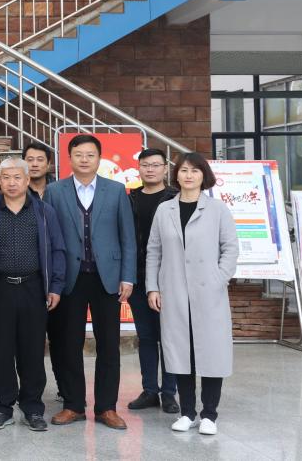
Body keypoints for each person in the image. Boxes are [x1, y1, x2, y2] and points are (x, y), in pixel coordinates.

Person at [43, 134, 135, 431]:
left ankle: (107, 407)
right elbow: (48, 238)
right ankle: (73, 405)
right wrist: (52, 280)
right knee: (69, 344)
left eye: (90, 154)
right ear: (69, 158)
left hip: (107, 278)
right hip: (70, 279)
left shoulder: (116, 190)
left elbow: (128, 237)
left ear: (99, 158)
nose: (84, 159)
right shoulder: (54, 191)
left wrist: (128, 276)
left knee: (108, 345)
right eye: (78, 154)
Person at [147, 153, 238, 436]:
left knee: (211, 353)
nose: (189, 175)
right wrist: (153, 287)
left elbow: (230, 248)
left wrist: (219, 278)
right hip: (174, 292)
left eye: (195, 171)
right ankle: (187, 412)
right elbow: (153, 250)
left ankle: (209, 414)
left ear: (204, 176)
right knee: (180, 353)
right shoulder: (165, 210)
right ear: (176, 175)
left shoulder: (217, 210)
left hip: (209, 293)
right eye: (184, 170)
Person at [0, 158, 65, 432]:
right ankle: (2, 407)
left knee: (32, 351)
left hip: (34, 288)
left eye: (17, 177)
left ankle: (33, 407)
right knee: (1, 350)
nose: (11, 183)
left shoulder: (44, 212)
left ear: (27, 180)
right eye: (6, 177)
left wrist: (55, 286)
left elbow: (57, 250)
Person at [127, 148, 179, 414]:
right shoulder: (130, 199)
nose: (150, 169)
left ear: (165, 168)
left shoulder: (175, 197)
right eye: (145, 165)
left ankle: (169, 393)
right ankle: (150, 390)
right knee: (146, 336)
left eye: (155, 165)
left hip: (170, 278)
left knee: (169, 336)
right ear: (139, 168)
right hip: (138, 277)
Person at [24, 140, 63, 403]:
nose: (35, 164)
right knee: (28, 342)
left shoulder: (60, 192)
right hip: (28, 279)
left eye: (40, 159)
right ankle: (29, 393)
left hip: (56, 276)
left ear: (49, 164)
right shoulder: (14, 191)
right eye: (30, 159)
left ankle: (65, 388)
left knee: (61, 338)